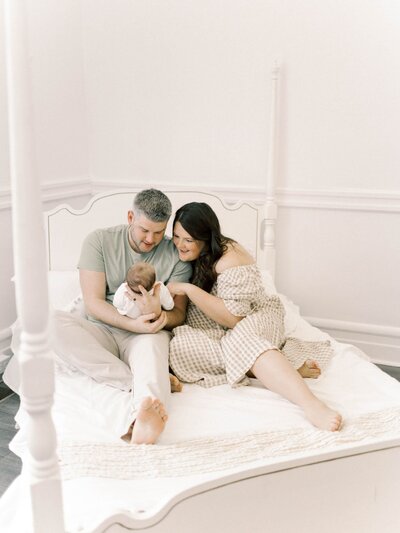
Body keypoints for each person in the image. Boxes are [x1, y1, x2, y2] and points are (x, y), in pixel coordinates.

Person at [167, 202, 342, 432]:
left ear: (206, 238)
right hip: (218, 329)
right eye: (176, 236)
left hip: (253, 317)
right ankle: (275, 369)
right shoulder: (180, 252)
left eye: (188, 240)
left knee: (242, 340)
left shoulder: (230, 257)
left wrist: (189, 290)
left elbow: (234, 319)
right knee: (179, 343)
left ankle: (311, 404)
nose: (180, 244)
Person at [53, 189, 192, 444]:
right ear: (130, 217)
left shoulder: (176, 255)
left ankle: (141, 422)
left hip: (148, 333)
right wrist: (131, 323)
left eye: (159, 232)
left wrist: (159, 316)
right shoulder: (99, 240)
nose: (151, 239)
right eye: (144, 230)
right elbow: (93, 303)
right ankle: (135, 379)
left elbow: (179, 314)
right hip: (102, 330)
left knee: (151, 354)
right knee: (45, 323)